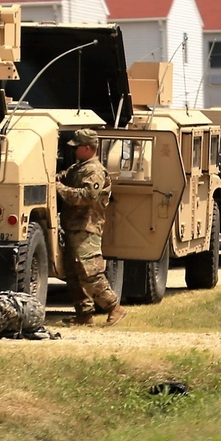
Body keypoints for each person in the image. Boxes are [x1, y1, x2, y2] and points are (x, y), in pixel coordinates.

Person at [55, 128, 127, 327]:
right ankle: (84, 314)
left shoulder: (94, 171)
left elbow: (86, 196)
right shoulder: (79, 168)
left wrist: (59, 189)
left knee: (90, 272)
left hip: (87, 228)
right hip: (73, 226)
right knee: (73, 272)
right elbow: (63, 176)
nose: (74, 151)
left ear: (87, 148)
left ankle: (114, 307)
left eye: (77, 147)